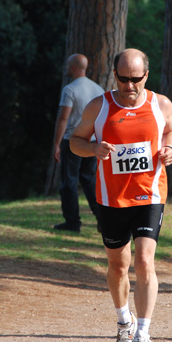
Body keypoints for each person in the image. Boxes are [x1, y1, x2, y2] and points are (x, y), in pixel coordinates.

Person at [70, 49, 172, 342]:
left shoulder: (160, 104)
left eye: (136, 79)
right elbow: (75, 141)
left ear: (147, 75)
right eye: (123, 79)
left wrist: (168, 148)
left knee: (144, 261)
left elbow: (170, 129)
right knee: (118, 266)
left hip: (150, 194)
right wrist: (93, 148)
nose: (129, 86)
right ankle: (124, 323)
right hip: (111, 198)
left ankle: (143, 334)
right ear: (114, 75)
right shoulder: (99, 106)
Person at [53, 54, 104, 232]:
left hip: (72, 141)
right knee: (89, 180)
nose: (66, 68)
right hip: (92, 142)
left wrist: (57, 144)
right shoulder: (98, 89)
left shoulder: (70, 89)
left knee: (69, 182)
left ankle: (72, 222)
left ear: (73, 67)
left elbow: (63, 119)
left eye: (68, 65)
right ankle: (102, 220)